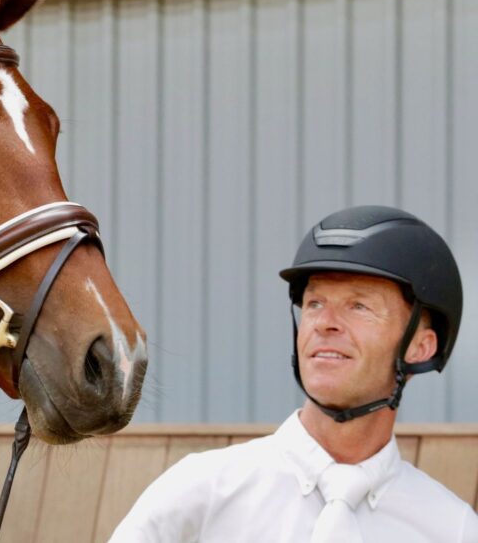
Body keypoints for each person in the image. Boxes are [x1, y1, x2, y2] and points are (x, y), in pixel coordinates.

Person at [110, 205, 478, 542]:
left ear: (421, 347)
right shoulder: (200, 491)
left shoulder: (453, 528)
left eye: (359, 305)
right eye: (315, 303)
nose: (325, 323)